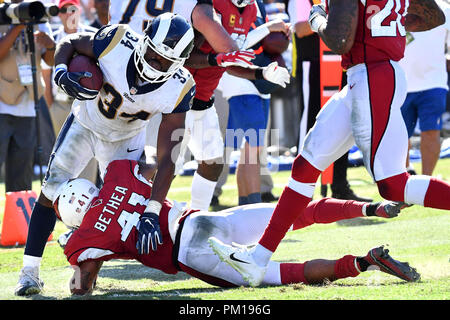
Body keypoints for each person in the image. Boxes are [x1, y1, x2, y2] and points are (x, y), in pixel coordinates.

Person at [209, 0, 450, 287]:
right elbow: (434, 16)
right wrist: (387, 28)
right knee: (305, 166)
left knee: (393, 185)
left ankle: (259, 256)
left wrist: (317, 20)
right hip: (366, 76)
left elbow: (339, 40)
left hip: (373, 76)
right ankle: (258, 257)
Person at [15, 13, 196, 296]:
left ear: (178, 65)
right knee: (50, 191)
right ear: (144, 40)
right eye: (152, 53)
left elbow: (168, 158)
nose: (154, 63)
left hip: (125, 139)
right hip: (86, 122)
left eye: (164, 61)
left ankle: (86, 264)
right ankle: (29, 272)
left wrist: (153, 209)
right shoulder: (118, 41)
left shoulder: (179, 88)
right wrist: (61, 71)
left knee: (112, 209)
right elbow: (72, 42)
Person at [55, 159, 418, 295]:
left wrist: (75, 261)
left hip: (191, 254)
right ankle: (374, 206)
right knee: (292, 212)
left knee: (278, 274)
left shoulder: (84, 237)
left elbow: (82, 287)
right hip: (199, 219)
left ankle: (364, 261)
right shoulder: (118, 173)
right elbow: (156, 168)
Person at [109, 0, 291, 211]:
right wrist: (218, 59)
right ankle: (133, 217)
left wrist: (260, 73)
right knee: (162, 167)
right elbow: (184, 57)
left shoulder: (250, 10)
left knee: (212, 164)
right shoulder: (212, 7)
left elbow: (232, 58)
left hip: (204, 99)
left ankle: (195, 219)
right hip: (179, 98)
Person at [287, 0, 372, 202]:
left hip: (340, 64)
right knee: (309, 128)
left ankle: (340, 186)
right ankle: (298, 193)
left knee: (342, 126)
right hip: (313, 66)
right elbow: (299, 29)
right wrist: (332, 16)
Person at [218, 0, 289, 206]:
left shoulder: (257, 3)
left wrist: (280, 35)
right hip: (240, 77)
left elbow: (261, 39)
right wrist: (269, 28)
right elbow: (232, 45)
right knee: (252, 147)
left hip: (259, 76)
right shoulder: (227, 4)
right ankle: (254, 205)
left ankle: (245, 203)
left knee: (250, 149)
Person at [0, 0, 56, 192]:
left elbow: (49, 61)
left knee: (22, 175)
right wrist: (17, 26)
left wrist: (50, 47)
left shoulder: (36, 11)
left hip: (29, 106)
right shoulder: (3, 11)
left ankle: (17, 220)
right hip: (2, 102)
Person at [42, 0, 99, 184]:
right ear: (58, 14)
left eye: (72, 9)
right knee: (61, 154)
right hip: (60, 103)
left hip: (86, 103)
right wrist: (51, 105)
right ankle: (61, 201)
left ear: (79, 10)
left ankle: (87, 194)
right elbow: (46, 71)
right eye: (64, 10)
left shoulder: (92, 35)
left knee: (88, 153)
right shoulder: (53, 37)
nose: (69, 14)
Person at [400, 0, 450, 176]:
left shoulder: (444, 10)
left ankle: (427, 180)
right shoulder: (396, 7)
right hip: (400, 84)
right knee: (399, 135)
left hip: (434, 83)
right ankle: (406, 174)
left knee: (431, 131)